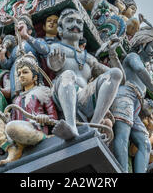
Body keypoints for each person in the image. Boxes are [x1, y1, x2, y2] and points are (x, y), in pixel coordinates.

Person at [40, 8, 123, 140]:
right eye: (70, 21)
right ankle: (71, 125)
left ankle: (94, 126)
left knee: (115, 73)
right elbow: (52, 65)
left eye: (79, 22)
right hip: (63, 92)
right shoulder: (57, 47)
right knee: (68, 73)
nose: (75, 25)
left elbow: (120, 78)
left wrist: (112, 53)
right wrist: (55, 64)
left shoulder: (88, 58)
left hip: (85, 96)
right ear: (60, 30)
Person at [0, 53, 58, 166]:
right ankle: (11, 149)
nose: (21, 76)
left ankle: (38, 139)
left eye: (25, 72)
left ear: (35, 76)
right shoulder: (17, 99)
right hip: (16, 134)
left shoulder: (43, 91)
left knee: (12, 127)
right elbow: (10, 122)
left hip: (34, 131)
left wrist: (44, 118)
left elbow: (54, 118)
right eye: (19, 73)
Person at [111, 21, 153, 173]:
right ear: (142, 44)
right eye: (152, 47)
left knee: (145, 142)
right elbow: (140, 70)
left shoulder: (144, 66)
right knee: (123, 134)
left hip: (135, 105)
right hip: (125, 97)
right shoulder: (133, 56)